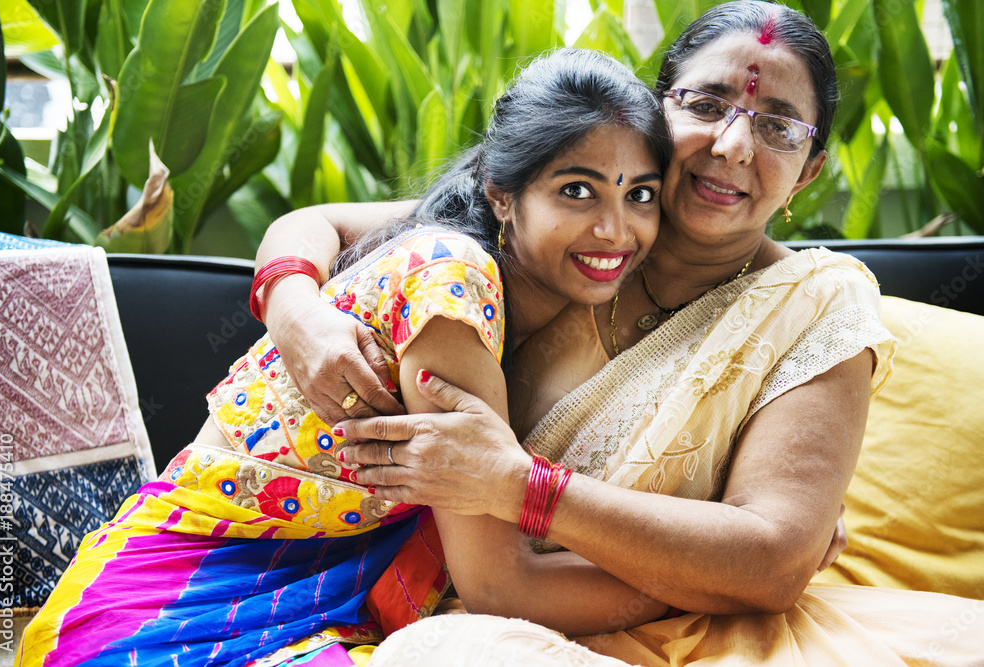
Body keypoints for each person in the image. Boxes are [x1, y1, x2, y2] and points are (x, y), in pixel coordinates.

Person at [255, 3, 984, 666]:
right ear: (656, 112)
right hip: (462, 603)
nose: (732, 145)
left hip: (696, 632)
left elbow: (771, 561)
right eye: (706, 104)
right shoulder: (573, 227)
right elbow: (328, 223)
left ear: (808, 171)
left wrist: (521, 486)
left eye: (778, 126)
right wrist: (295, 312)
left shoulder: (815, 305)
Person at [16, 49, 675, 666]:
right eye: (578, 192)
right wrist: (696, 580)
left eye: (640, 194)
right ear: (502, 193)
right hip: (161, 618)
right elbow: (502, 587)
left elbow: (315, 221)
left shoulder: (481, 235)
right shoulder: (453, 285)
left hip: (247, 598)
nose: (616, 230)